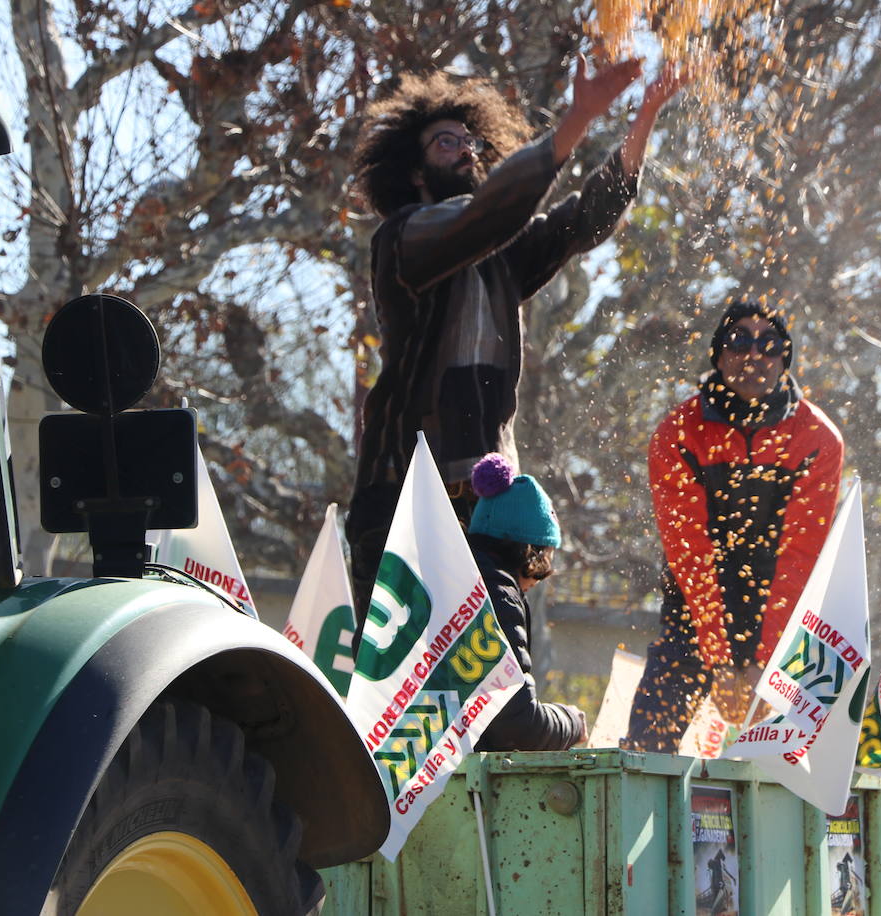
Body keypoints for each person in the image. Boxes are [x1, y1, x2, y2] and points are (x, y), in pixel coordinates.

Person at [346, 55, 687, 642]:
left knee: (491, 672)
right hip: (402, 490)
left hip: (486, 500)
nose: (466, 150)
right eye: (446, 142)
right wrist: (575, 120)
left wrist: (644, 117)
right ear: (415, 171)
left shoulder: (502, 253)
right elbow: (485, 215)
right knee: (401, 686)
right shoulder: (404, 237)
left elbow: (583, 219)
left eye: (470, 140)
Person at [624, 299, 844, 752]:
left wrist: (768, 660)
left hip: (784, 609)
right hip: (696, 602)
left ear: (785, 358)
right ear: (717, 355)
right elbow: (689, 552)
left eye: (769, 345)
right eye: (738, 341)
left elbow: (800, 557)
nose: (753, 356)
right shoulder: (678, 433)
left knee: (816, 747)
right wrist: (721, 661)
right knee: (650, 737)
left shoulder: (818, 438)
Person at [465, 453, 586, 751]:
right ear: (530, 554)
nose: (531, 588)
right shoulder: (495, 595)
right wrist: (573, 723)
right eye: (539, 572)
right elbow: (519, 728)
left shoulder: (449, 577)